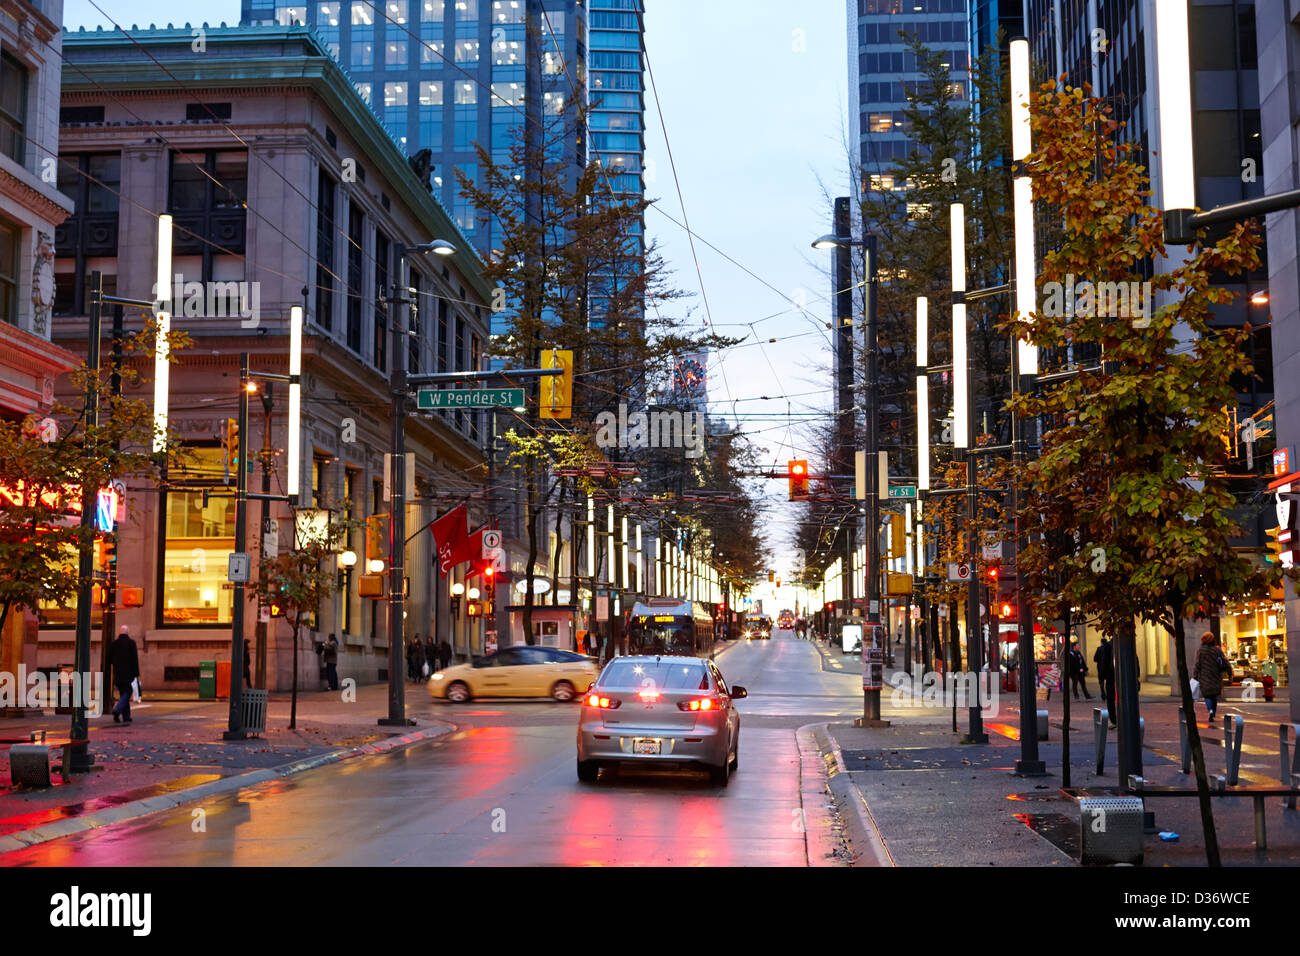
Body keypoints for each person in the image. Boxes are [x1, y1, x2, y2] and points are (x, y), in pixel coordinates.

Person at [1194, 631, 1232, 721]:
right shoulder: (1217, 650)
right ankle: (1213, 714)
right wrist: (1229, 672)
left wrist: (1195, 676)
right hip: (1216, 676)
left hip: (1204, 676)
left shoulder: (1200, 651)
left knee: (1207, 696)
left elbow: (1197, 664)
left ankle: (1210, 711)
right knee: (1214, 696)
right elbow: (1225, 661)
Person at [108, 625, 139, 724]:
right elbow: (135, 659)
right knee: (127, 692)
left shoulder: (114, 644)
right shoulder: (131, 643)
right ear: (127, 632)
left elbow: (110, 659)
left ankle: (126, 716)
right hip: (128, 673)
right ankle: (117, 710)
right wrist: (136, 673)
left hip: (118, 673)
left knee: (123, 693)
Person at [1094, 635, 1116, 726]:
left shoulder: (1106, 646)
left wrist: (1102, 677)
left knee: (1111, 699)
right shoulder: (1125, 644)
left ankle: (1114, 720)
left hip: (1110, 676)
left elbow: (1103, 662)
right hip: (1115, 675)